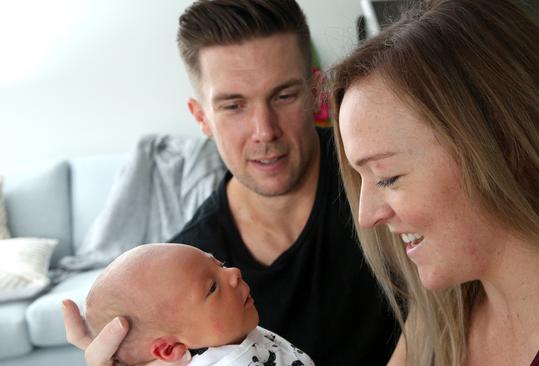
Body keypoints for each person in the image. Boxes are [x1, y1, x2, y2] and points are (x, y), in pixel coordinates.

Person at [62, 1, 399, 365]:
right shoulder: (183, 277)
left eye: (284, 95)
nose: (265, 131)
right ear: (201, 117)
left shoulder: (384, 175)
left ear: (316, 92)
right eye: (233, 106)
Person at [328, 0, 539, 365]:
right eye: (362, 178)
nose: (366, 216)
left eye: (388, 177)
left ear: (499, 146)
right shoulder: (448, 310)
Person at [84, 243, 314, 366]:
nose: (233, 273)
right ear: (170, 349)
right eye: (212, 287)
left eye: (219, 264)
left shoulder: (231, 336)